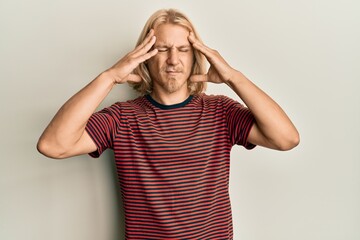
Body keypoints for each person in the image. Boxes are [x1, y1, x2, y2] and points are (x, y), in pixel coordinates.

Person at [37, 8, 299, 239]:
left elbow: (286, 139)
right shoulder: (122, 118)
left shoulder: (220, 111)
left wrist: (234, 78)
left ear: (194, 56)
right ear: (145, 58)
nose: (173, 59)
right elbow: (53, 145)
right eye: (162, 49)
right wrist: (109, 76)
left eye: (183, 49)